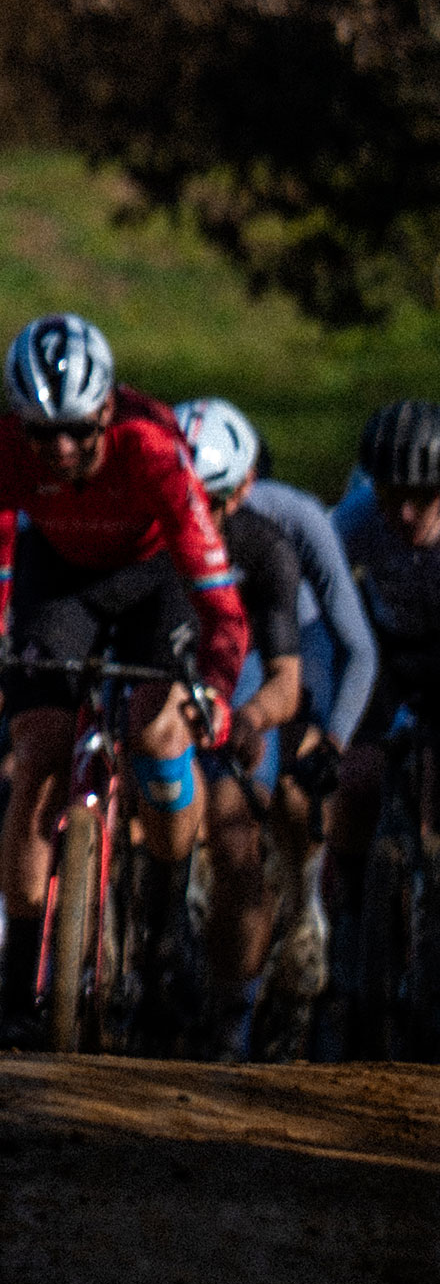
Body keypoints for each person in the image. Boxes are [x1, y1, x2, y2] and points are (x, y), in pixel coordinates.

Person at [0, 315, 250, 1046]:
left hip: (156, 576)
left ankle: (166, 928)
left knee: (157, 729)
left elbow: (219, 600)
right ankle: (17, 997)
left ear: (108, 413)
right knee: (39, 751)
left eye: (78, 433)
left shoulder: (152, 448)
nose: (60, 451)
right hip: (61, 578)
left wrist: (216, 688)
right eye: (42, 434)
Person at [174, 400, 304, 1056]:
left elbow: (286, 679)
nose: (199, 519)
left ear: (242, 492)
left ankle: (233, 1012)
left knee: (235, 840)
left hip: (233, 698)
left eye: (214, 503)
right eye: (185, 500)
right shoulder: (139, 539)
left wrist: (252, 718)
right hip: (159, 687)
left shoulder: (265, 548)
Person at [325, 401, 440, 1025]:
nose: (406, 515)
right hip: (385, 661)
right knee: (355, 780)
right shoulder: (357, 518)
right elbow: (313, 598)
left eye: (423, 499)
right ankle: (343, 923)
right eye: (393, 497)